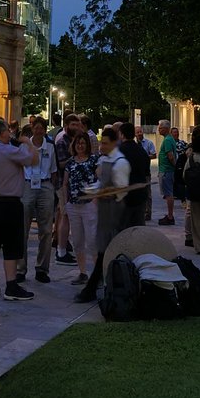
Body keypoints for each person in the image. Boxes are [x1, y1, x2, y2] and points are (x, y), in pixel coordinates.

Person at [0, 118, 41, 301]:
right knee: (11, 245)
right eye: (8, 132)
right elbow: (34, 159)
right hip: (10, 203)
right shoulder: (9, 151)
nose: (10, 134)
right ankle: (11, 286)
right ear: (2, 132)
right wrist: (28, 142)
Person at [73, 125, 131, 303]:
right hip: (104, 209)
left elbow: (121, 191)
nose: (102, 146)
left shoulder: (121, 163)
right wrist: (91, 191)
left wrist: (107, 192)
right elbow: (101, 183)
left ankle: (96, 288)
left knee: (107, 249)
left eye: (105, 143)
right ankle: (98, 286)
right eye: (101, 143)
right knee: (103, 248)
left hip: (114, 210)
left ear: (114, 142)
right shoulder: (105, 160)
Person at [18, 117, 57, 283]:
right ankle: (20, 268)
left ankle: (42, 268)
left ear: (45, 130)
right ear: (32, 128)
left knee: (46, 230)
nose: (39, 131)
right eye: (36, 128)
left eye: (42, 128)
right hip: (28, 185)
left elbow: (54, 170)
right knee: (22, 228)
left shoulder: (50, 147)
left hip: (45, 184)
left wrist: (51, 188)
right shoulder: (24, 147)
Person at [63, 133, 99, 284]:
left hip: (89, 204)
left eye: (83, 143)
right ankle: (82, 272)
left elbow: (100, 180)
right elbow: (65, 183)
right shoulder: (70, 163)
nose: (80, 146)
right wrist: (65, 203)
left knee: (92, 241)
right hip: (73, 205)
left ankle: (97, 275)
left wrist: (96, 199)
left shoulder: (93, 160)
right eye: (78, 143)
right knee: (77, 241)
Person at [53, 113, 82, 265]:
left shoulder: (73, 140)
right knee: (65, 216)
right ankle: (61, 251)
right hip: (62, 184)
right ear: (66, 126)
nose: (76, 128)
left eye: (78, 125)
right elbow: (61, 163)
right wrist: (77, 157)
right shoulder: (62, 142)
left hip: (72, 184)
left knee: (63, 215)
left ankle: (62, 245)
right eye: (73, 125)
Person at [118, 123, 151, 229]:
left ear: (122, 135)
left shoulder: (118, 151)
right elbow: (147, 172)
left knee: (123, 228)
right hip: (140, 194)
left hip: (124, 195)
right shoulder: (141, 151)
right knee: (138, 227)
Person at [156, 119, 177, 225]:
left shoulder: (168, 140)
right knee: (168, 193)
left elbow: (170, 156)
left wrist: (174, 167)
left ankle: (170, 216)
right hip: (166, 170)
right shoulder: (169, 139)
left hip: (167, 171)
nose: (158, 129)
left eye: (160, 128)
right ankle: (169, 215)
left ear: (166, 129)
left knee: (168, 194)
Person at [136, 125, 156, 222]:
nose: (140, 134)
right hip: (136, 172)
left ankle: (148, 213)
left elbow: (153, 155)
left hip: (146, 172)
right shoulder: (134, 145)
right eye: (138, 132)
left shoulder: (148, 143)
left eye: (141, 132)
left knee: (148, 193)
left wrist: (144, 157)